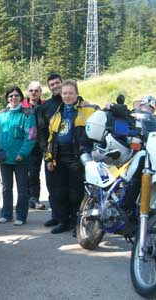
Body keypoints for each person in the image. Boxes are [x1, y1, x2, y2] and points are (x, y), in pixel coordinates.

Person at [45, 80, 96, 236]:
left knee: (76, 194)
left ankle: (77, 223)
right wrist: (49, 158)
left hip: (77, 156)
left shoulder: (88, 110)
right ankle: (64, 222)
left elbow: (99, 125)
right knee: (60, 192)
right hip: (59, 156)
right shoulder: (57, 113)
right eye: (65, 93)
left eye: (70, 93)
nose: (67, 96)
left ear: (76, 94)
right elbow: (51, 139)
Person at [0, 86, 36, 225]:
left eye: (16, 95)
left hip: (20, 159)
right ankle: (6, 214)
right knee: (6, 188)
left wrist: (22, 153)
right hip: (4, 158)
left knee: (22, 189)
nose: (13, 98)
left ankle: (21, 216)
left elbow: (31, 136)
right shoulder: (0, 115)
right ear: (7, 98)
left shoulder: (28, 114)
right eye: (10, 96)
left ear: (21, 98)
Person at [36, 74, 63, 227]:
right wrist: (45, 151)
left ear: (62, 82)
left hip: (68, 151)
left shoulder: (73, 101)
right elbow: (41, 131)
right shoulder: (44, 107)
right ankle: (56, 216)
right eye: (51, 84)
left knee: (68, 187)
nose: (55, 86)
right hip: (51, 151)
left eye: (57, 83)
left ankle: (71, 218)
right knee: (52, 186)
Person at [21, 81, 46, 210]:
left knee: (35, 173)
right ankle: (25, 199)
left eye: (36, 90)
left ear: (40, 92)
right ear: (27, 92)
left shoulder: (45, 106)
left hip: (38, 144)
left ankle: (34, 198)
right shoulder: (21, 106)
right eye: (31, 90)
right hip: (24, 145)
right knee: (24, 173)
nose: (34, 93)